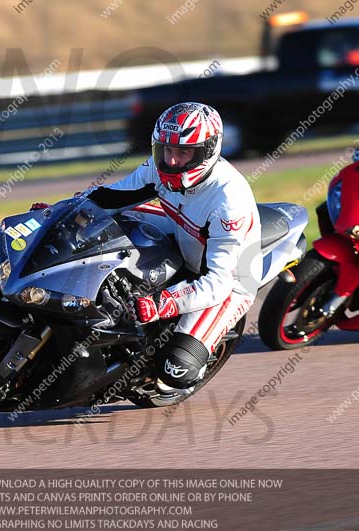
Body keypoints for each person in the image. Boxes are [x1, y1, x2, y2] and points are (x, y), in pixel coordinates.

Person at [32, 102, 262, 392]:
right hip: (182, 229)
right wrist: (59, 212)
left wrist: (162, 303)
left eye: (183, 152)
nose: (172, 161)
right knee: (100, 220)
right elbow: (111, 197)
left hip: (229, 282)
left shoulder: (229, 203)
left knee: (175, 372)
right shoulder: (159, 166)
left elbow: (218, 282)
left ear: (208, 151)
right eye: (166, 150)